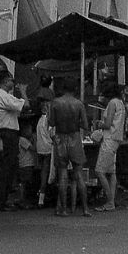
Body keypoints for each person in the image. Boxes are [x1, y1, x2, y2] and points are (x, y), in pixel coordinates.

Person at [48, 76, 91, 217]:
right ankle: (85, 209)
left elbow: (51, 122)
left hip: (60, 138)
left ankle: (64, 209)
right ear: (75, 89)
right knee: (79, 175)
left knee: (63, 175)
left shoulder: (55, 103)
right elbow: (85, 125)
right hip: (75, 138)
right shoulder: (79, 104)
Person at [0, 70, 30, 211]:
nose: (13, 83)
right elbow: (25, 105)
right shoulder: (4, 97)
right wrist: (23, 92)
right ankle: (0, 201)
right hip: (8, 134)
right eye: (11, 80)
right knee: (7, 167)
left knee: (0, 167)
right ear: (5, 81)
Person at [95, 81, 127, 211]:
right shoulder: (120, 103)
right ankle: (111, 200)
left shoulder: (112, 103)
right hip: (116, 139)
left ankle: (109, 200)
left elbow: (107, 124)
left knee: (100, 171)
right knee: (111, 172)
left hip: (109, 139)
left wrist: (99, 124)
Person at [36, 99, 54, 207]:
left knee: (43, 172)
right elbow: (52, 133)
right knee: (47, 173)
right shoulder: (48, 119)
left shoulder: (39, 120)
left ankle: (41, 195)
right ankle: (42, 196)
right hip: (48, 148)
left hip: (40, 148)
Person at [17, 121, 37, 208]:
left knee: (25, 182)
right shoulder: (22, 140)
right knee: (25, 182)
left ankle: (23, 199)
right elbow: (33, 149)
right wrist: (35, 140)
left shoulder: (23, 140)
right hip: (26, 164)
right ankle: (22, 199)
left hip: (26, 164)